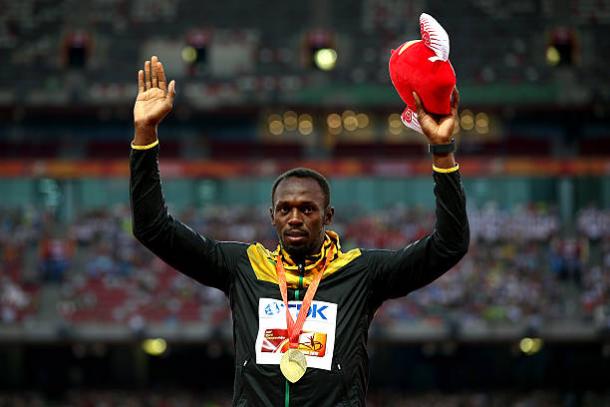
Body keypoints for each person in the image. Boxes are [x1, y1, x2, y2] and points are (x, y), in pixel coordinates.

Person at [130, 56, 469, 406]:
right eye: (285, 209)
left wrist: (442, 151)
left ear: (328, 216)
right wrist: (145, 134)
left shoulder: (360, 273)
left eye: (307, 209)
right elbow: (152, 228)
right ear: (272, 217)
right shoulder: (244, 267)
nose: (295, 218)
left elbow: (449, 245)